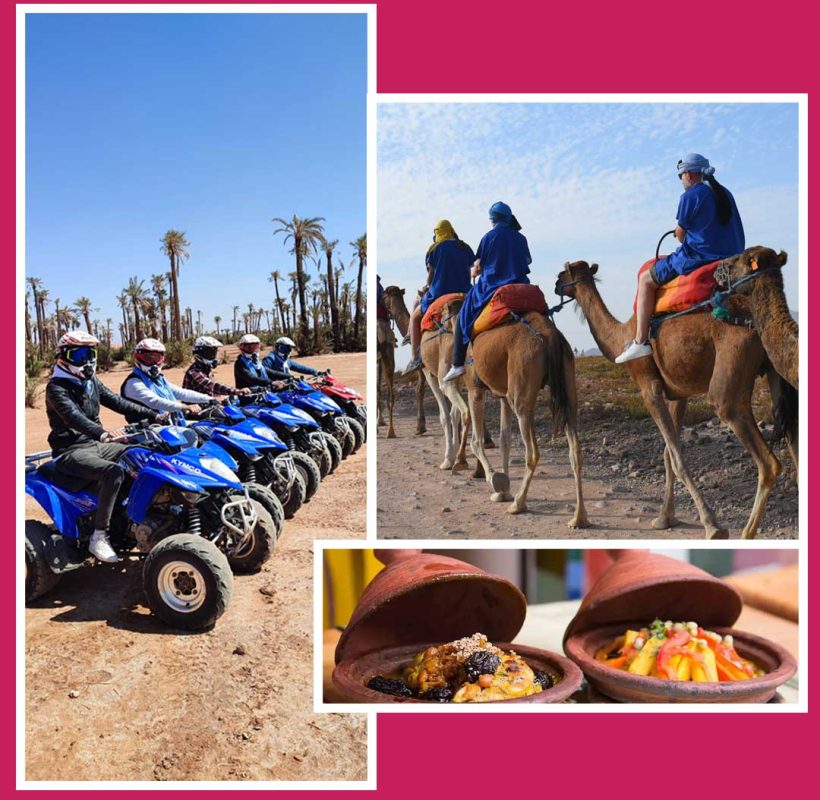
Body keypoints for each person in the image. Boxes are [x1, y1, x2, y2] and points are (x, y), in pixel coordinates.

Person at [45, 331, 167, 563]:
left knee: (140, 454)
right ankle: (99, 536)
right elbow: (73, 417)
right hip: (71, 451)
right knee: (113, 472)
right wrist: (102, 433)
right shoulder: (56, 387)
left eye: (90, 353)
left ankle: (139, 517)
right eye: (79, 354)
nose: (86, 360)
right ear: (63, 356)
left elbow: (118, 402)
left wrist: (155, 415)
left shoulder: (90, 382)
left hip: (95, 444)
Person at [615, 153, 746, 363]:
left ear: (689, 174)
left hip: (699, 256)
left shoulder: (691, 196)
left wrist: (680, 234)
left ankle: (640, 341)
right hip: (733, 255)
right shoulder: (726, 193)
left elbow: (681, 234)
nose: (681, 180)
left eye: (681, 176)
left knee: (646, 280)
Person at [443, 202, 532, 381]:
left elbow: (478, 267)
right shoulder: (521, 238)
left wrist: (474, 271)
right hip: (521, 285)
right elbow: (526, 262)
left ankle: (458, 363)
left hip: (492, 286)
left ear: (492, 219)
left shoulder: (488, 237)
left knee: (462, 318)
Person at [403, 219, 474, 374]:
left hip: (440, 292)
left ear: (437, 233)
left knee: (415, 317)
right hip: (466, 292)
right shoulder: (464, 247)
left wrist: (428, 286)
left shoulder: (434, 249)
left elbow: (430, 278)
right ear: (451, 230)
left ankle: (415, 358)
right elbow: (469, 274)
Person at [120, 338, 215, 424]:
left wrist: (209, 399)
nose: (153, 363)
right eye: (148, 358)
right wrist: (183, 407)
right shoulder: (133, 383)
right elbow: (154, 401)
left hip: (171, 425)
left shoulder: (159, 379)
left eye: (157, 358)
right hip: (149, 431)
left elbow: (182, 393)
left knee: (210, 427)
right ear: (138, 358)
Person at [183, 335, 252, 397]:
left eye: (214, 352)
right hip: (194, 408)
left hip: (207, 405)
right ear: (199, 352)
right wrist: (234, 391)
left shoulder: (206, 368)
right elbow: (211, 385)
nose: (212, 355)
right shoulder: (194, 372)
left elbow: (211, 390)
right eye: (209, 352)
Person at [263, 336, 327, 378]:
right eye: (286, 348)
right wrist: (286, 376)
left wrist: (316, 371)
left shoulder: (285, 359)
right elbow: (265, 371)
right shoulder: (270, 358)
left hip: (287, 385)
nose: (289, 351)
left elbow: (300, 367)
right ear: (279, 347)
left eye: (289, 348)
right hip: (275, 389)